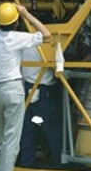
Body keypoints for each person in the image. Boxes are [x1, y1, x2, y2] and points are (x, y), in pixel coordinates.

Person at [0, 2, 51, 171]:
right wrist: (26, 14)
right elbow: (46, 35)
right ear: (16, 22)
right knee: (11, 139)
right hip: (13, 90)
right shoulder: (18, 37)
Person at [18, 17, 63, 169]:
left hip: (27, 89)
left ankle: (26, 162)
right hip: (43, 92)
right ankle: (58, 161)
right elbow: (58, 70)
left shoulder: (22, 43)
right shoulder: (48, 44)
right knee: (51, 127)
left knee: (27, 128)